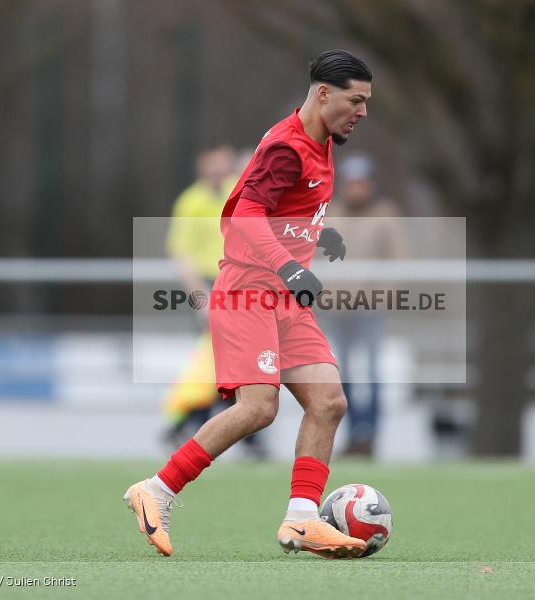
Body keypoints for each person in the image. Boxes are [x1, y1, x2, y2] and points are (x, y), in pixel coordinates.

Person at [125, 49, 373, 559]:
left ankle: (302, 519)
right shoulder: (287, 148)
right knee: (259, 407)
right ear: (323, 94)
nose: (363, 112)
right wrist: (289, 267)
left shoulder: (324, 141)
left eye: (366, 102)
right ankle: (156, 490)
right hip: (248, 292)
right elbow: (246, 216)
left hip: (284, 298)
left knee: (329, 402)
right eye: (355, 100)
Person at [162, 146, 266, 458]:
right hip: (209, 285)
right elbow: (181, 254)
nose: (220, 171)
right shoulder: (191, 201)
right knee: (215, 363)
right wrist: (200, 298)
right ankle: (195, 425)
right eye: (213, 165)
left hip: (239, 283)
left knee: (232, 362)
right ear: (202, 168)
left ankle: (193, 426)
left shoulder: (238, 190)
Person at [327, 154, 405, 457]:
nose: (356, 189)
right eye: (351, 183)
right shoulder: (332, 213)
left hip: (371, 306)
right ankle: (349, 434)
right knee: (341, 371)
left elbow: (398, 261)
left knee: (372, 370)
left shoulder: (385, 215)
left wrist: (381, 295)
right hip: (337, 306)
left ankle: (369, 434)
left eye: (361, 183)